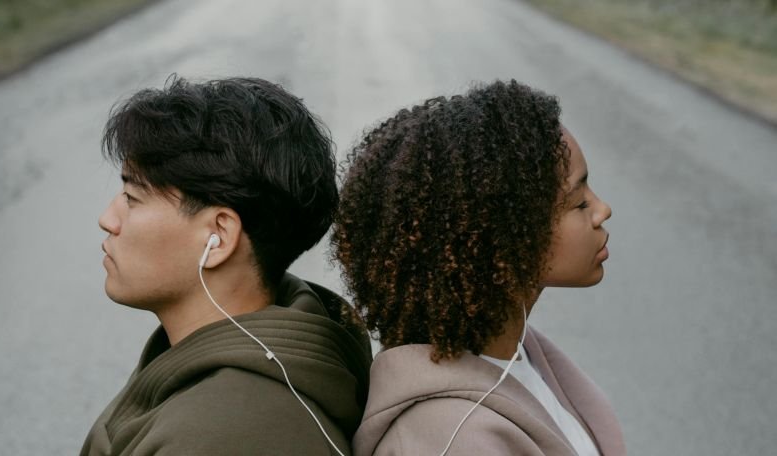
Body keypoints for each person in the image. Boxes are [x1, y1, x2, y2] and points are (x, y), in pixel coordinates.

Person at [81, 76, 371, 456]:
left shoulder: (224, 435)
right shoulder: (263, 363)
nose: (108, 219)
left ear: (218, 235)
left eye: (133, 198)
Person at [333, 80, 626, 455]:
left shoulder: (521, 357)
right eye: (578, 203)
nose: (602, 210)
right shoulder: (451, 441)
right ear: (501, 238)